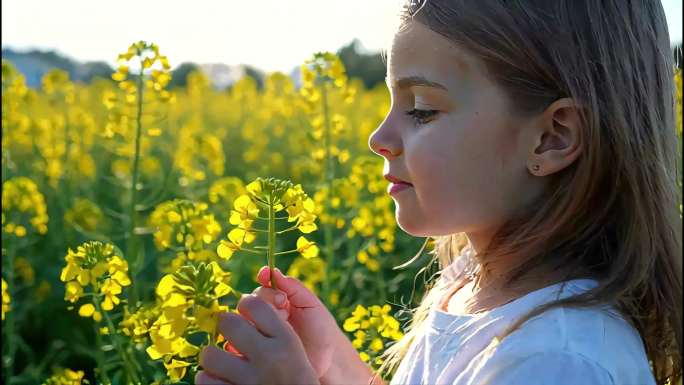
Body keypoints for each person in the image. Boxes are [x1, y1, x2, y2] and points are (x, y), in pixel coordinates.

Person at [195, 0, 682, 384]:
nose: (378, 138)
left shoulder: (561, 360)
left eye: (422, 109)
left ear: (551, 138)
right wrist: (337, 373)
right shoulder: (470, 283)